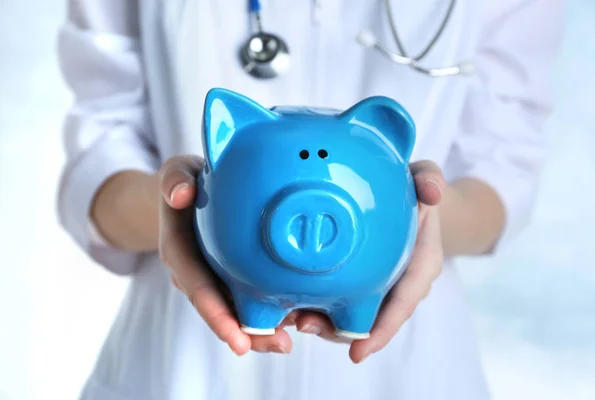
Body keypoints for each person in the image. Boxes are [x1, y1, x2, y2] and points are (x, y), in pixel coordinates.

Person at [56, 1, 564, 399]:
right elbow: (99, 158)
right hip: (178, 364)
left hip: (411, 369)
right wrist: (185, 207)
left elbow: (502, 170)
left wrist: (416, 219)